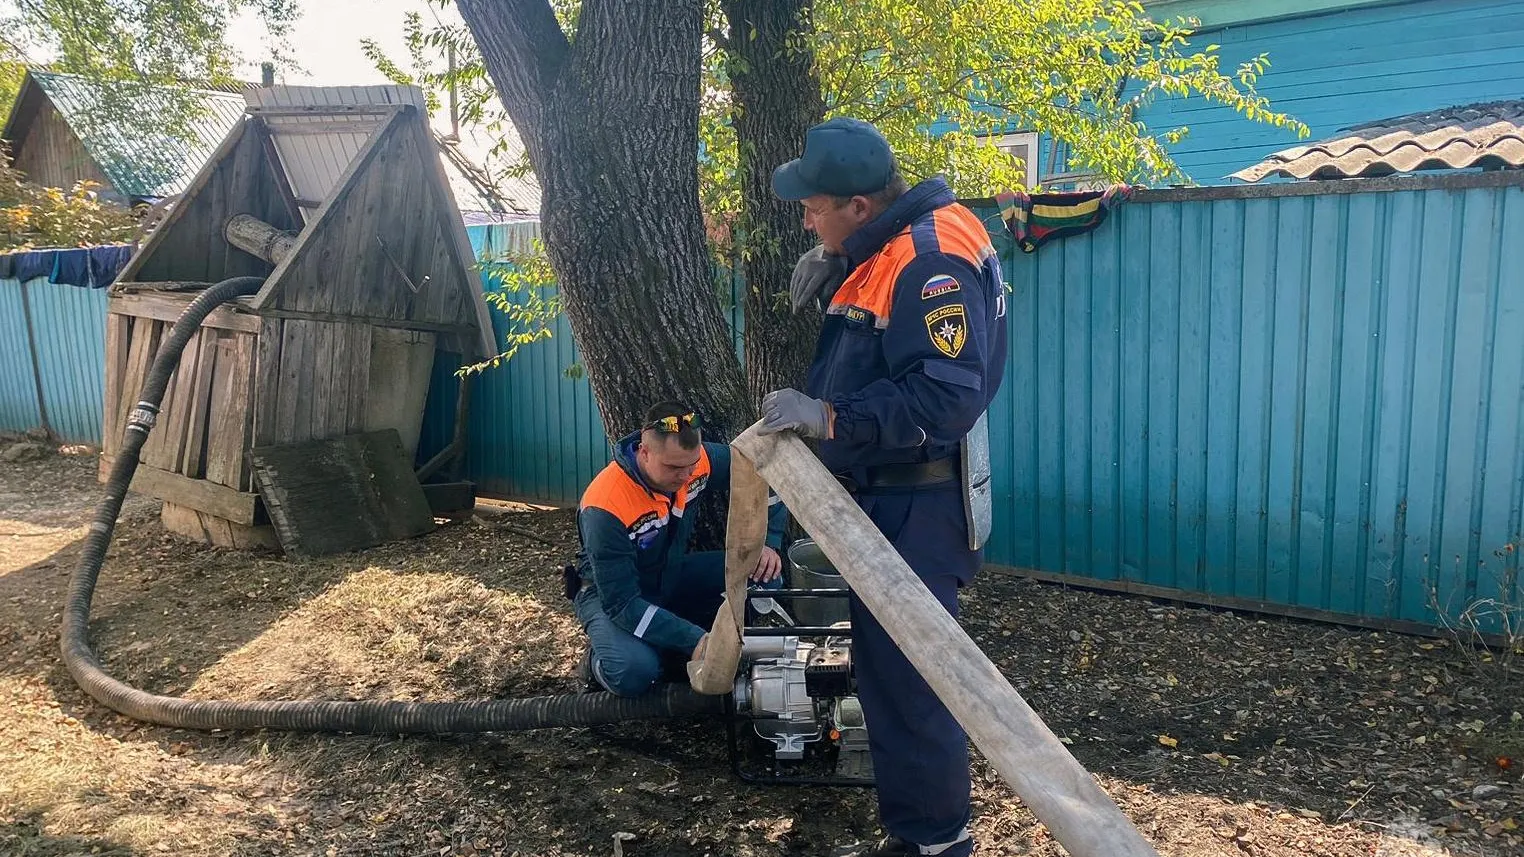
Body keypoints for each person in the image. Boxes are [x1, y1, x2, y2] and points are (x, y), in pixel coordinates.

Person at [758, 117, 1008, 857]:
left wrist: (829, 415)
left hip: (917, 502)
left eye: (815, 207)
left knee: (912, 679)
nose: (806, 215)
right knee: (889, 669)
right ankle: (918, 832)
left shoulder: (930, 264)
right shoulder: (899, 237)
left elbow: (943, 397)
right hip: (894, 494)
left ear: (861, 205)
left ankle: (936, 843)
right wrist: (836, 258)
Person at [572, 401, 787, 697]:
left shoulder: (698, 462)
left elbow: (763, 472)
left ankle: (757, 668)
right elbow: (621, 603)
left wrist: (769, 542)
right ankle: (597, 662)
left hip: (670, 573)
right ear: (643, 452)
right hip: (612, 595)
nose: (686, 476)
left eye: (691, 464)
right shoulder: (605, 505)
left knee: (764, 574)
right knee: (633, 672)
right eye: (673, 467)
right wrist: (697, 640)